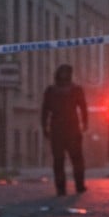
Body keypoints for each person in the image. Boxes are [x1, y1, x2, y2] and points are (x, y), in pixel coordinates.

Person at [41, 64, 89, 195]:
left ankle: (79, 185)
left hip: (72, 128)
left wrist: (85, 123)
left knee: (76, 158)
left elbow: (83, 107)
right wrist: (44, 126)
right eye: (62, 72)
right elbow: (45, 110)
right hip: (58, 128)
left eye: (67, 72)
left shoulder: (76, 90)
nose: (64, 75)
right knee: (59, 160)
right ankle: (61, 188)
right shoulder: (51, 90)